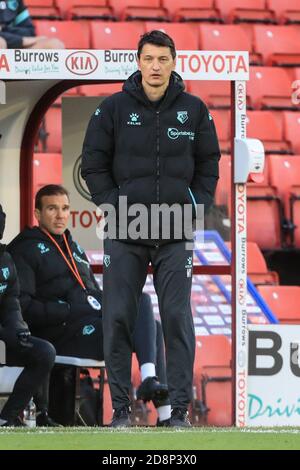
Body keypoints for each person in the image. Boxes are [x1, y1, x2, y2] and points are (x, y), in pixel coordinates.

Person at [81, 30, 221, 427]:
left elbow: (209, 163)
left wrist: (195, 206)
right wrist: (113, 204)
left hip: (175, 229)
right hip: (126, 227)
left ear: (174, 62)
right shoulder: (112, 109)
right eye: (149, 59)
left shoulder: (194, 110)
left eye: (163, 59)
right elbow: (92, 163)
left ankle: (178, 413)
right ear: (138, 61)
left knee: (177, 318)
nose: (156, 66)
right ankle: (121, 411)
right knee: (118, 318)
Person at [8, 185, 170, 427]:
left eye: (64, 208)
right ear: (38, 214)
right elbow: (24, 307)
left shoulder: (74, 248)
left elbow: (92, 293)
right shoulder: (24, 250)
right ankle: (128, 410)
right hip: (62, 334)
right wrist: (67, 310)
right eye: (52, 208)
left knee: (144, 306)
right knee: (139, 328)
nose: (60, 215)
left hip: (91, 323)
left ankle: (162, 407)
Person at [0, 204, 56, 427]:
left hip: (2, 340)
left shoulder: (5, 260)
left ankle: (7, 417)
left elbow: (11, 303)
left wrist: (17, 329)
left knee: (44, 352)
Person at [0, 0, 64, 49]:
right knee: (1, 42)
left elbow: (29, 31)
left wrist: (4, 29)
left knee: (55, 44)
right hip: (8, 44)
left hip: (16, 44)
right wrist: (23, 41)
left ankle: (23, 65)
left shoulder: (16, 2)